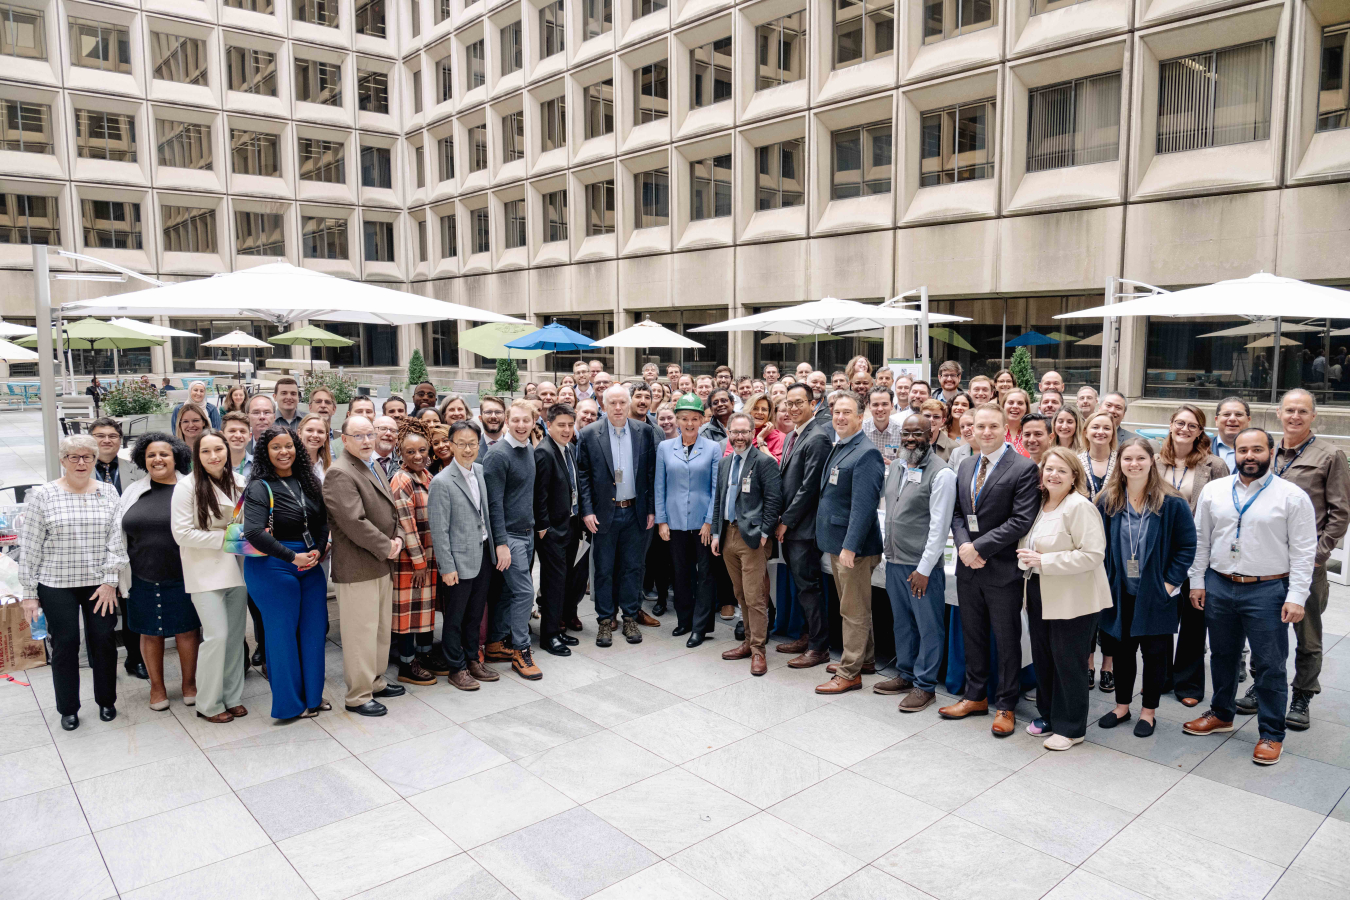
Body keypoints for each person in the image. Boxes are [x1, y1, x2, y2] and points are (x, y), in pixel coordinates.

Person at [1184, 428, 1316, 766]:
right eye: (1243, 450)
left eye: (1257, 449)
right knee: (1223, 656)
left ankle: (1272, 733)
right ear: (1235, 452)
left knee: (1270, 664)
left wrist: (1297, 595)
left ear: (1271, 452)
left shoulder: (1292, 496)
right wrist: (1197, 581)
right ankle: (1222, 713)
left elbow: (1304, 551)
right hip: (1220, 584)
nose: (1249, 456)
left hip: (1267, 589)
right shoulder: (1215, 491)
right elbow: (1201, 539)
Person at [1235, 389, 1350, 730]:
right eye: (1289, 410)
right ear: (1279, 413)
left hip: (1306, 564)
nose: (1295, 416)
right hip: (1267, 564)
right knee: (1264, 631)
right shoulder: (1268, 453)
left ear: (1313, 416)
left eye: (1302, 411)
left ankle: (1302, 694)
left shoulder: (1330, 455)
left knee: (1308, 634)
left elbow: (1340, 511)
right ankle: (1263, 685)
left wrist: (1318, 556)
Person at [941, 403, 1040, 736]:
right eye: (979, 426)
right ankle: (975, 696)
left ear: (1004, 429)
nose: (985, 432)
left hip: (1001, 570)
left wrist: (977, 547)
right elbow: (957, 513)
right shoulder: (967, 464)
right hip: (969, 568)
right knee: (973, 635)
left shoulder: (1023, 468)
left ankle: (1006, 705)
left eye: (992, 427)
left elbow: (1020, 520)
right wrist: (964, 547)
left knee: (1007, 639)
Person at [18, 435, 125, 731]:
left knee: (103, 641)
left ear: (95, 459)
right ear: (63, 460)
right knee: (65, 644)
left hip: (98, 584)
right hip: (55, 582)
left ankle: (106, 700)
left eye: (87, 457)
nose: (81, 463)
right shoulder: (45, 494)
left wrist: (109, 580)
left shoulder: (108, 493)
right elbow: (30, 546)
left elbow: (116, 541)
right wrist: (29, 593)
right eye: (74, 457)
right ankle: (68, 708)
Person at [1096, 438, 1197, 737]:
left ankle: (1149, 712)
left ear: (1152, 461)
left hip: (1156, 593)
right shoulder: (1108, 500)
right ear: (1120, 463)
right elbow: (1097, 544)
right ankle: (1122, 707)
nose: (1134, 464)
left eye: (1141, 458)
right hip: (1119, 592)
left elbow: (1187, 546)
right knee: (1122, 652)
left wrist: (1168, 585)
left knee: (1154, 654)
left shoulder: (1172, 502)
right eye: (1128, 459)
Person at [1016, 447, 1112, 750]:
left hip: (1073, 597)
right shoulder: (1040, 505)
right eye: (1049, 469)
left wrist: (1045, 561)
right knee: (1044, 659)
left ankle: (1071, 728)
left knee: (1068, 662)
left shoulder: (1079, 506)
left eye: (1061, 470)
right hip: (1039, 591)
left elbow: (1093, 555)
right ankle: (1049, 716)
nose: (1053, 475)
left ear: (1074, 477)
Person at [244, 427, 329, 719]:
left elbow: (322, 521)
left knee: (314, 633)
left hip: (310, 563)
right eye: (276, 447)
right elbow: (253, 531)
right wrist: (293, 557)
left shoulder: (309, 481)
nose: (284, 452)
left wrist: (318, 550)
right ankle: (290, 706)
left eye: (289, 446)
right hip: (272, 565)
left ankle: (313, 698)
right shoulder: (259, 486)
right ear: (265, 453)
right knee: (282, 638)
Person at [324, 415, 406, 717]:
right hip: (358, 567)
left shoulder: (370, 463)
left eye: (369, 434)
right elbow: (354, 522)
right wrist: (388, 547)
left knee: (380, 630)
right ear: (343, 439)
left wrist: (397, 537)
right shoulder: (339, 473)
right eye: (358, 436)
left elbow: (390, 510)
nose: (366, 440)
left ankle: (375, 680)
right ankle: (358, 695)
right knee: (361, 633)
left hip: (381, 563)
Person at [113, 433, 200, 712]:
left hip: (184, 574)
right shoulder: (133, 491)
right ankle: (157, 687)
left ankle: (189, 684)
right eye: (151, 455)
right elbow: (118, 532)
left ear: (176, 457)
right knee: (150, 634)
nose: (157, 459)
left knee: (188, 631)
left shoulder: (192, 488)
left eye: (164, 454)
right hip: (141, 575)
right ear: (143, 459)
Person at [880, 413, 956, 712]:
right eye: (907, 434)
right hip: (895, 560)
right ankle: (906, 673)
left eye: (918, 434)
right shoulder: (898, 465)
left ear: (931, 435)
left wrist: (924, 569)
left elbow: (939, 527)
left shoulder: (942, 473)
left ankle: (925, 686)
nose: (911, 439)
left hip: (920, 567)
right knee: (903, 623)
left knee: (928, 627)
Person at [171, 429, 249, 723]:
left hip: (237, 571)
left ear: (228, 451)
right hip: (204, 573)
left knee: (234, 638)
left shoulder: (240, 482)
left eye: (219, 449)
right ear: (197, 456)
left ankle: (231, 696)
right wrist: (229, 539)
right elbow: (182, 534)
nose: (214, 456)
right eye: (206, 451)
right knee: (216, 636)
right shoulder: (186, 487)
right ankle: (208, 703)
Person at [1157, 404, 1228, 707]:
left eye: (1192, 425)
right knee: (1159, 617)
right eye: (1180, 423)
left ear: (1201, 431)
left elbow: (1221, 513)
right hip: (1159, 551)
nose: (1184, 429)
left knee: (1194, 618)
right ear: (1170, 425)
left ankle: (1188, 682)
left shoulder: (1214, 465)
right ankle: (1160, 676)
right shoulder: (1155, 461)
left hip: (1198, 551)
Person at [577, 384, 659, 646]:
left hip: (635, 512)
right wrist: (587, 511)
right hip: (603, 515)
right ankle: (604, 620)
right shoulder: (589, 434)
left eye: (622, 402)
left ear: (629, 403)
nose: (618, 408)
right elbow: (584, 477)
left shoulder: (645, 432)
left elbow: (650, 474)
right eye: (612, 403)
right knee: (603, 569)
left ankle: (630, 617)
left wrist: (651, 509)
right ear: (603, 405)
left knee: (633, 568)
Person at [814, 393, 885, 695]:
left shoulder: (866, 453)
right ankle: (864, 659)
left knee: (853, 611)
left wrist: (850, 546)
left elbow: (864, 507)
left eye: (847, 412)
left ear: (860, 417)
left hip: (853, 547)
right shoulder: (842, 445)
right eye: (837, 412)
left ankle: (849, 672)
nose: (840, 417)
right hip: (837, 542)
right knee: (853, 607)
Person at [429, 421, 500, 690]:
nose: (468, 449)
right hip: (457, 562)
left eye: (472, 444)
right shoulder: (442, 482)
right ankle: (455, 667)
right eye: (461, 444)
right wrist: (447, 568)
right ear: (450, 445)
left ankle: (472, 659)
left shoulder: (480, 472)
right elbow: (439, 530)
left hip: (482, 554)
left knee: (474, 614)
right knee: (455, 618)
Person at [769, 384, 834, 667]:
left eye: (799, 403)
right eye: (789, 404)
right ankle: (807, 635)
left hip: (804, 528)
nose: (793, 408)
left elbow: (809, 488)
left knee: (809, 587)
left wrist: (787, 521)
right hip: (795, 525)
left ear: (813, 404)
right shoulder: (795, 435)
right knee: (801, 585)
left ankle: (819, 647)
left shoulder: (817, 437)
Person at [712, 412, 782, 675]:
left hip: (752, 538)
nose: (739, 436)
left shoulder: (764, 462)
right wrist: (717, 535)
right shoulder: (724, 463)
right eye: (735, 432)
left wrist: (764, 534)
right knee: (740, 594)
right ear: (728, 433)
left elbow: (774, 500)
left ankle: (758, 651)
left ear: (753, 433)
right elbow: (719, 499)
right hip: (728, 534)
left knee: (755, 597)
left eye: (744, 432)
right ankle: (747, 642)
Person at [480, 400, 541, 677]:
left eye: (525, 420)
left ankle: (495, 643)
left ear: (533, 421)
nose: (520, 425)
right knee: (525, 592)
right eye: (515, 420)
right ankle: (521, 652)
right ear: (506, 420)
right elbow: (493, 505)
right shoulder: (498, 455)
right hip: (509, 537)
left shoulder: (527, 449)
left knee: (508, 592)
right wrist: (501, 544)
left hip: (527, 533)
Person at [655, 394, 720, 646]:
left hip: (702, 523)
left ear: (702, 420)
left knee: (704, 574)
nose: (689, 424)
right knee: (680, 572)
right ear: (677, 420)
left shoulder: (713, 448)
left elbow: (716, 488)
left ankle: (700, 627)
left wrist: (709, 522)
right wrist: (662, 520)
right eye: (684, 418)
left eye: (694, 418)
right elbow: (659, 485)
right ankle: (685, 620)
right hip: (674, 522)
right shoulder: (664, 448)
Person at [89, 417, 148, 679]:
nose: (106, 440)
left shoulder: (134, 468)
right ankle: (99, 662)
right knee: (99, 612)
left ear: (120, 440)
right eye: (100, 435)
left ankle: (135, 659)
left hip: (129, 548)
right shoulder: (79, 467)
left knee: (130, 606)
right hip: (93, 551)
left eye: (112, 435)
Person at [388, 419, 441, 686]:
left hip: (428, 556)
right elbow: (406, 524)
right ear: (401, 453)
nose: (417, 456)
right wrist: (419, 562)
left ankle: (424, 654)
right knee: (408, 613)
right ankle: (407, 664)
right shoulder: (401, 479)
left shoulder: (428, 476)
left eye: (422, 450)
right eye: (410, 452)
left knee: (424, 609)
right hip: (410, 560)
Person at [534, 403, 585, 657]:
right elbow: (539, 495)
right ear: (549, 425)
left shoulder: (569, 449)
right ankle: (549, 636)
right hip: (553, 532)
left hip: (571, 526)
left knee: (564, 581)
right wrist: (544, 528)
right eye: (561, 425)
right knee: (553, 584)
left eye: (569, 424)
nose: (566, 429)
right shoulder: (544, 452)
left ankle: (557, 626)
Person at [729, 392, 785, 462]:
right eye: (755, 408)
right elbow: (729, 463)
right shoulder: (737, 434)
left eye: (764, 409)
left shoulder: (779, 437)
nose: (760, 412)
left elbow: (776, 466)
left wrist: (761, 441)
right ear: (749, 411)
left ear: (769, 414)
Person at [1079, 412, 1118, 501]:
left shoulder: (1122, 461)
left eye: (1107, 428)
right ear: (1085, 432)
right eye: (1095, 427)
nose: (1100, 432)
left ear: (1113, 433)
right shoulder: (1076, 462)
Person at [862, 386, 903, 463]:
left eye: (884, 404)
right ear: (869, 406)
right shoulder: (861, 429)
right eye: (875, 405)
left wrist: (893, 465)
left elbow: (908, 463)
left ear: (891, 406)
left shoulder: (902, 431)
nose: (880, 409)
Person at [1211, 396, 1251, 472]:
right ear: (1216, 420)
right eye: (1226, 414)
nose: (1232, 419)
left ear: (1248, 420)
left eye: (1239, 415)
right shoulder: (1201, 447)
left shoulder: (1260, 452)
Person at [297, 413, 332, 481]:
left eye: (320, 432)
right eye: (309, 430)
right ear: (299, 433)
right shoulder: (290, 464)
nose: (315, 435)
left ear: (326, 437)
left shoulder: (330, 467)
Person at [1002, 389, 1031, 456]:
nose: (1015, 406)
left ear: (1026, 407)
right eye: (1011, 402)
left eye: (1020, 403)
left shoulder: (1032, 432)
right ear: (1003, 405)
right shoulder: (995, 430)